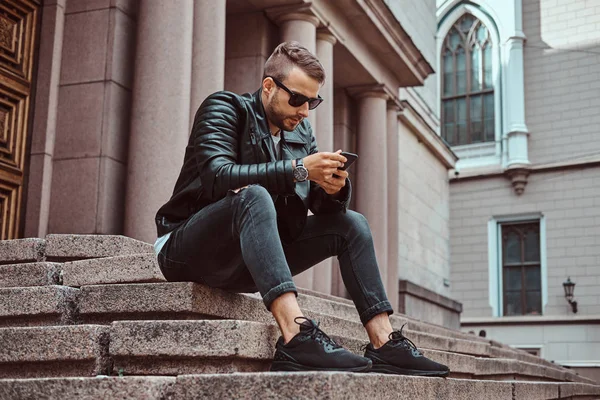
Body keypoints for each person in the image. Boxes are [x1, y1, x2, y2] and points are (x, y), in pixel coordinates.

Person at [154, 41, 449, 377]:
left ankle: (385, 343)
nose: (305, 111)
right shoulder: (225, 108)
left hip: (249, 261)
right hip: (186, 250)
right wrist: (299, 169)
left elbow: (319, 206)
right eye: (297, 99)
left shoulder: (301, 132)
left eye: (313, 101)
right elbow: (218, 176)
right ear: (268, 87)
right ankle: (296, 337)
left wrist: (335, 188)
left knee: (350, 224)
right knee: (254, 195)